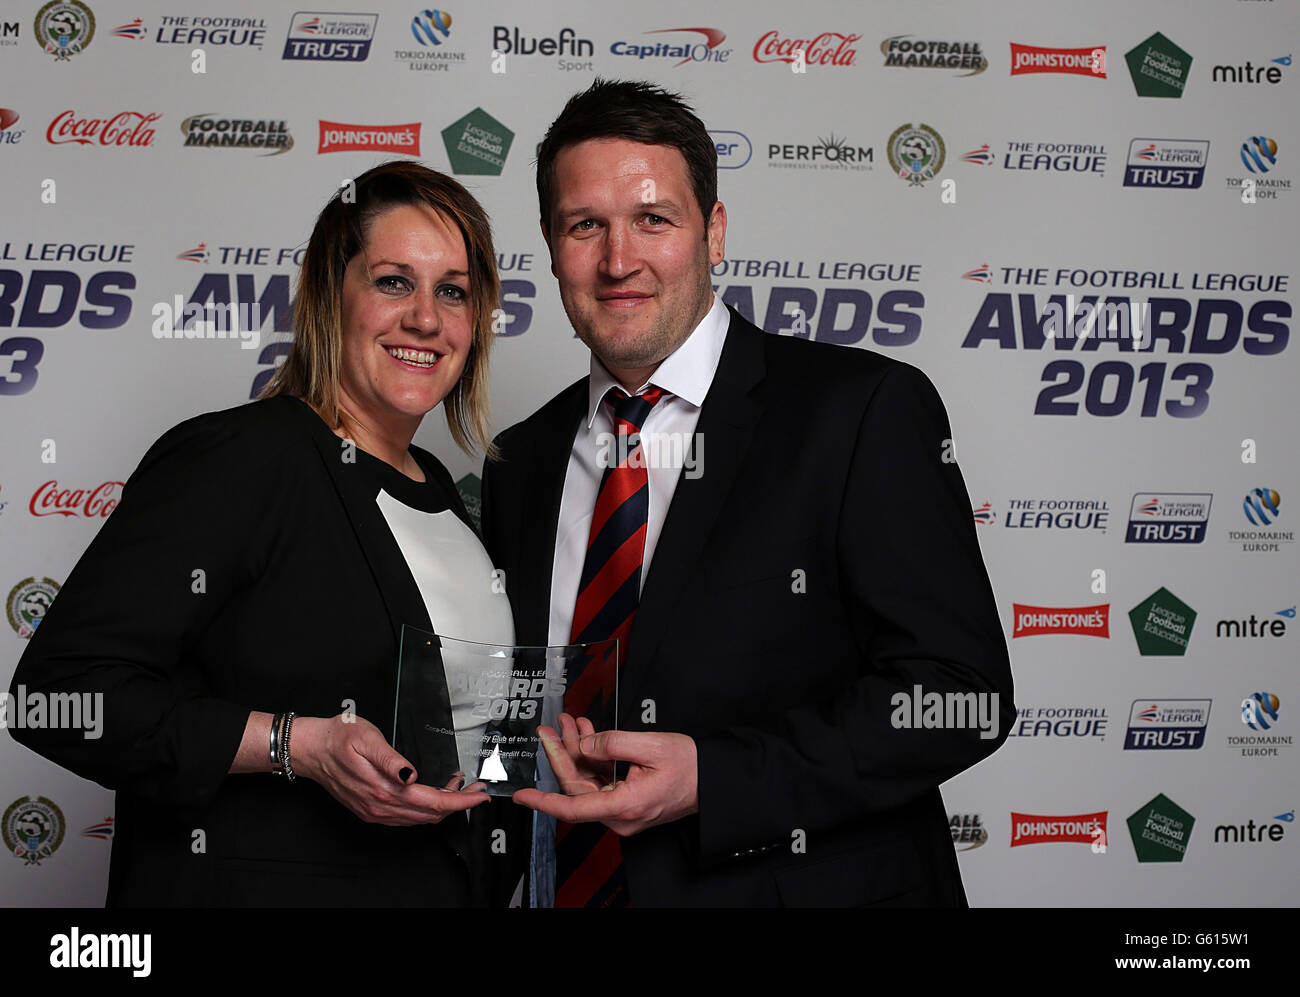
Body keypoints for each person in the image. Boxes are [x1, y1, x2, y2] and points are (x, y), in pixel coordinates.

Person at [480, 79, 1015, 907]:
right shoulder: (522, 458)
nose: (619, 260)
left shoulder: (859, 411)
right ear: (551, 249)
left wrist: (714, 779)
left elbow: (961, 696)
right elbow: (521, 711)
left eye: (653, 218)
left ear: (714, 232)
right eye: (586, 225)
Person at [8, 161, 523, 906]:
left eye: (453, 290)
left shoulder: (440, 488)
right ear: (328, 295)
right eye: (392, 281)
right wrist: (296, 746)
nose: (425, 317)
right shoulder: (244, 458)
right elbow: (57, 693)